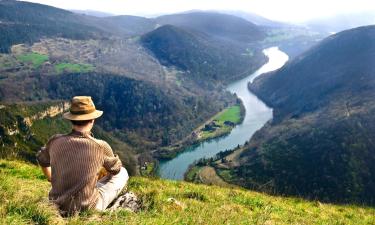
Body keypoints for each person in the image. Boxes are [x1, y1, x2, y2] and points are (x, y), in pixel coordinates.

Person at [36, 96, 129, 216]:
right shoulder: (100, 146)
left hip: (56, 204)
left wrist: (51, 179)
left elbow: (42, 160)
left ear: (71, 119)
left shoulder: (55, 141)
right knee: (123, 172)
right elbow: (116, 169)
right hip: (87, 208)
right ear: (93, 119)